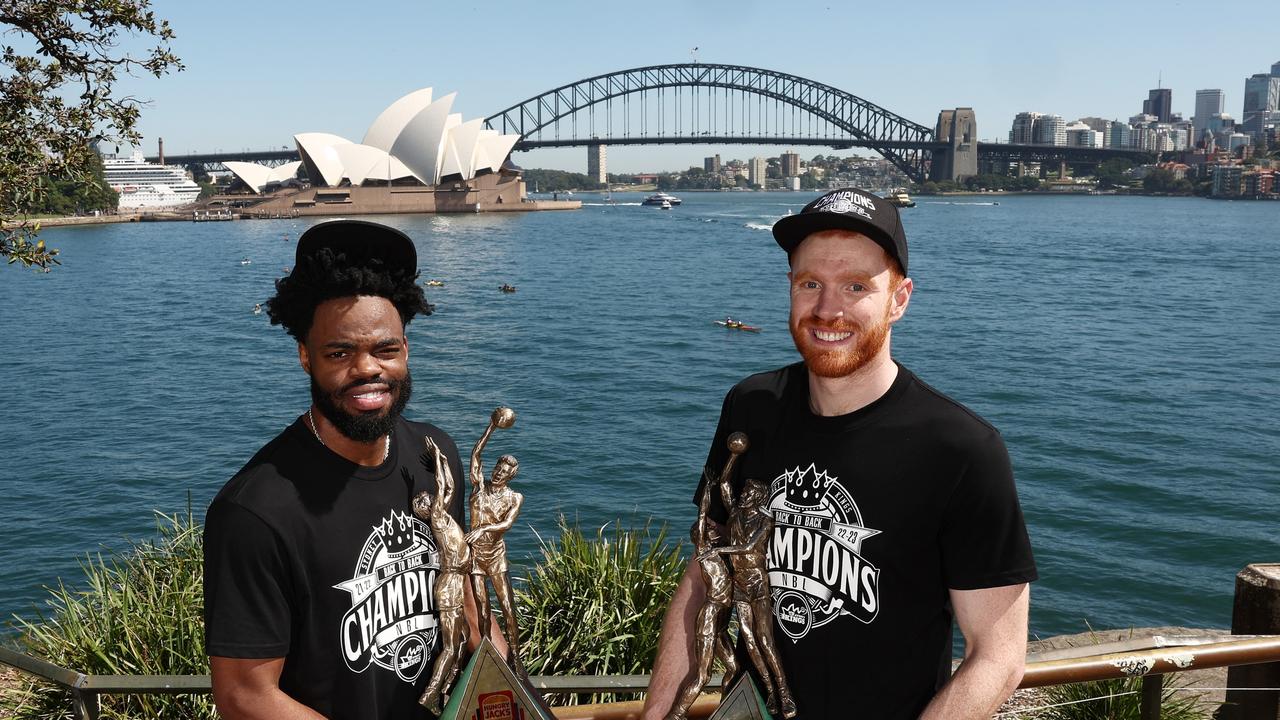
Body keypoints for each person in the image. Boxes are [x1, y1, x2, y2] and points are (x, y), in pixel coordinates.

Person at [642, 188, 1037, 720]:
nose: (828, 310)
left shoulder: (961, 448)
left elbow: (998, 655)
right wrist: (659, 714)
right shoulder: (750, 407)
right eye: (811, 284)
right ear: (790, 287)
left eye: (856, 286)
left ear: (899, 299)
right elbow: (702, 575)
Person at [204, 219, 476, 720]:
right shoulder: (254, 511)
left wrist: (502, 683)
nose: (368, 369)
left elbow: (465, 598)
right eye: (340, 353)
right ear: (306, 357)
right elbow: (244, 696)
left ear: (406, 351)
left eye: (385, 350)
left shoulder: (436, 455)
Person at [465, 408, 525, 674]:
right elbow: (475, 454)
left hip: (496, 556)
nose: (499, 473)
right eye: (498, 468)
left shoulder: (514, 498)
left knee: (508, 607)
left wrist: (483, 529)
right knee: (482, 611)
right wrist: (491, 427)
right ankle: (487, 657)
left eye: (505, 471)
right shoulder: (479, 488)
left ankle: (516, 660)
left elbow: (507, 524)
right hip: (475, 557)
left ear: (511, 476)